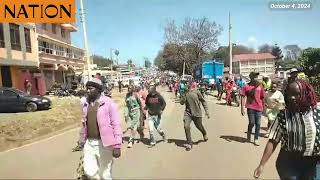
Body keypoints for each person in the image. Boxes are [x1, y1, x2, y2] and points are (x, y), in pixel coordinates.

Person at [254, 79, 320, 180]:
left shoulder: (317, 112)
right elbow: (273, 140)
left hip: (313, 163)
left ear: (305, 94)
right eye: (290, 94)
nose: (292, 97)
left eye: (297, 94)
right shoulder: (283, 115)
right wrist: (261, 164)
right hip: (289, 162)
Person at [82, 78, 122, 179]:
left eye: (90, 88)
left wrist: (117, 145)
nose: (87, 91)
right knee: (89, 171)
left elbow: (116, 124)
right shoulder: (86, 104)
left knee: (105, 173)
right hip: (89, 143)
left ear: (98, 89)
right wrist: (81, 138)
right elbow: (84, 123)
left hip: (105, 144)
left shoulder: (108, 103)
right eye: (87, 88)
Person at [180, 84, 210, 151]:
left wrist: (206, 111)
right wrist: (184, 94)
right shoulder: (184, 93)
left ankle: (204, 133)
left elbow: (203, 101)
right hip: (188, 113)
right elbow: (181, 102)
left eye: (186, 87)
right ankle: (189, 143)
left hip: (197, 113)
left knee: (199, 126)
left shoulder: (197, 92)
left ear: (190, 87)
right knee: (186, 126)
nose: (186, 88)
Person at [240, 72, 266, 146]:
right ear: (250, 77)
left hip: (259, 107)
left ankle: (256, 138)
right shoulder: (246, 86)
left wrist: (264, 107)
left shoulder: (260, 86)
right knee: (252, 123)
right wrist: (242, 108)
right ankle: (249, 132)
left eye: (256, 76)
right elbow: (242, 96)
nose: (255, 77)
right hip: (250, 107)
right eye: (254, 76)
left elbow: (262, 97)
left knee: (258, 124)